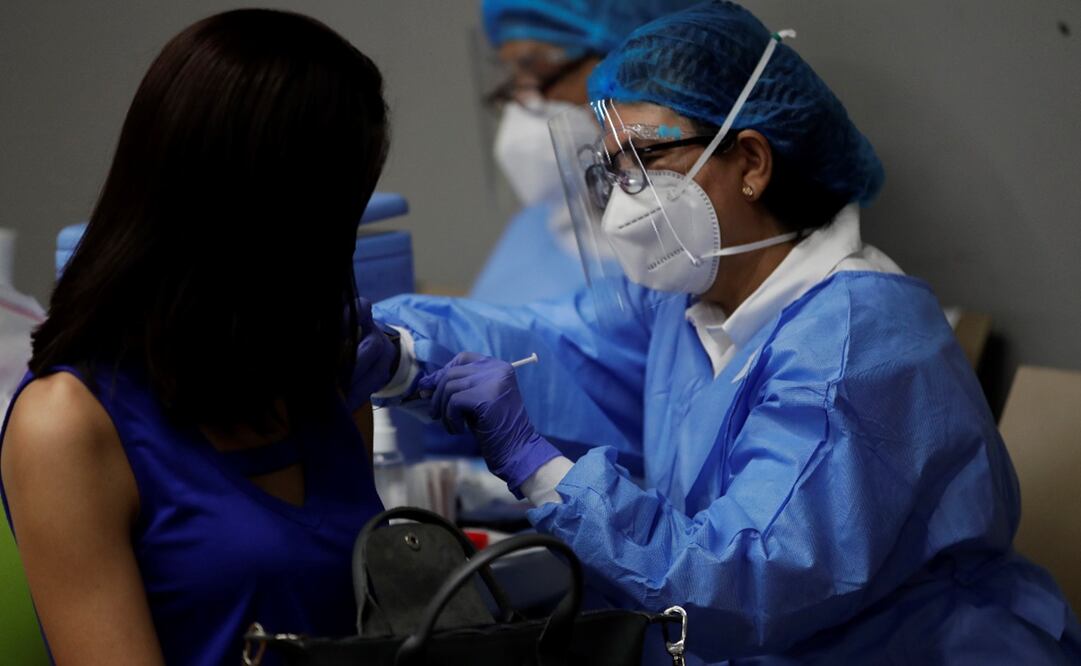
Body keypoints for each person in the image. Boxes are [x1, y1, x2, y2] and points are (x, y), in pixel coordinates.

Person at [368, 2, 1081, 663]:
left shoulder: (858, 345)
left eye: (648, 160)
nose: (625, 198)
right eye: (614, 169)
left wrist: (539, 468)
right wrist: (397, 348)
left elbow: (746, 578)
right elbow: (562, 348)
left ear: (751, 162)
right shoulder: (687, 301)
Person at [0, 10, 394, 665]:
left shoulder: (320, 379)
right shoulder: (68, 425)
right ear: (252, 211)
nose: (333, 251)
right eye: (329, 217)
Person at [472, 0, 700, 305]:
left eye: (542, 73)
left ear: (642, 59)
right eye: (514, 81)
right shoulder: (534, 229)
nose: (524, 109)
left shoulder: (704, 247)